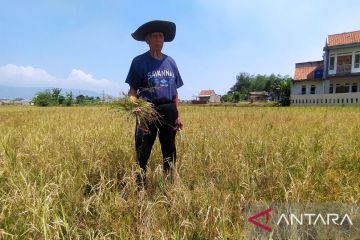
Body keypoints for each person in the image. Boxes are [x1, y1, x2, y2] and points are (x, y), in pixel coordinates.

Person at [125, 20, 183, 188]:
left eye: (161, 36)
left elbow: (175, 93)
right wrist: (133, 105)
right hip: (147, 111)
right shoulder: (139, 62)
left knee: (169, 150)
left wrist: (177, 115)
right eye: (155, 36)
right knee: (143, 150)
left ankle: (169, 184)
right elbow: (133, 90)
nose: (159, 39)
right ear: (147, 40)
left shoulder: (171, 62)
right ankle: (140, 186)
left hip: (169, 111)